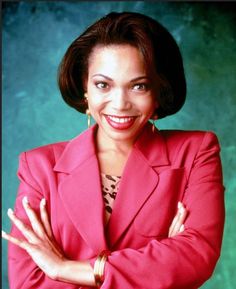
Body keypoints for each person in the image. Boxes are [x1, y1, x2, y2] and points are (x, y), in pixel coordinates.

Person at [2, 11, 225, 289]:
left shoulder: (195, 153)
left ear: (159, 91)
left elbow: (196, 256)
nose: (119, 103)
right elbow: (27, 284)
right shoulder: (39, 167)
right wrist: (157, 267)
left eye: (139, 86)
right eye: (103, 85)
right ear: (85, 89)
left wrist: (65, 269)